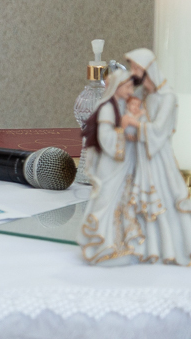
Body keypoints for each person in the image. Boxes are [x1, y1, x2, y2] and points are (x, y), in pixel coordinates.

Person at [126, 49, 191, 265]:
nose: (134, 72)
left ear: (149, 69)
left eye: (137, 68)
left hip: (158, 157)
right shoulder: (143, 95)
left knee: (164, 197)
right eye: (132, 68)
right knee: (140, 200)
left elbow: (159, 129)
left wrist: (136, 123)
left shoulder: (168, 97)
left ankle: (171, 249)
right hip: (142, 156)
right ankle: (146, 247)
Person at [79, 66, 143, 264]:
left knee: (121, 202)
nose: (131, 91)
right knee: (107, 201)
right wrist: (124, 132)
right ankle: (101, 243)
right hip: (110, 163)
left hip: (122, 163)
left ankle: (118, 242)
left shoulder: (122, 105)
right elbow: (105, 137)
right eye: (128, 87)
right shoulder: (107, 107)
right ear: (118, 86)